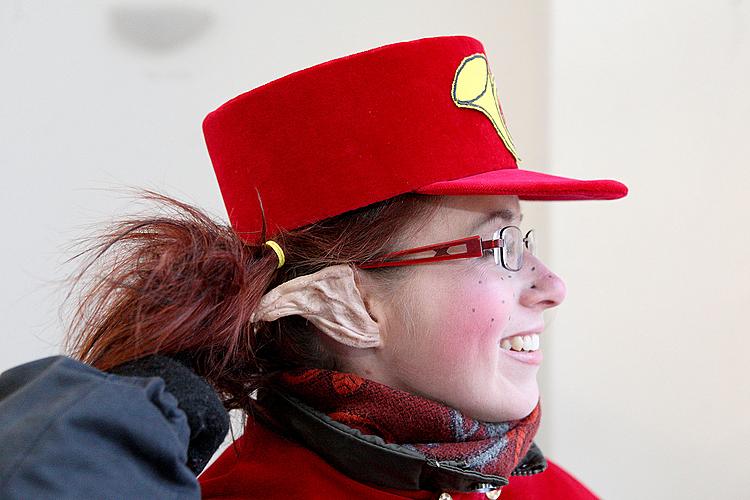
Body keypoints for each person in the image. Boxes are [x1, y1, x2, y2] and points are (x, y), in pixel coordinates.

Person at [1, 35, 628, 499]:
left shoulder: (544, 488)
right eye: (499, 247)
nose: (553, 286)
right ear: (345, 306)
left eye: (526, 238)